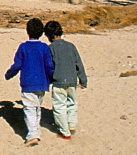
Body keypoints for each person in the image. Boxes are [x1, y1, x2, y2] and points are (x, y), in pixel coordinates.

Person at [5, 17, 54, 146]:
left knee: (30, 109)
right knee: (36, 107)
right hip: (42, 83)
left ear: (27, 31)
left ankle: (33, 134)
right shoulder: (44, 48)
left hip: (28, 82)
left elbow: (17, 64)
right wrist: (51, 78)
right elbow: (49, 65)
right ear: (42, 32)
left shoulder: (23, 47)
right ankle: (35, 131)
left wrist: (9, 74)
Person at [44, 20, 87, 140]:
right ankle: (72, 125)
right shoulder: (71, 46)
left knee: (59, 106)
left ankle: (64, 132)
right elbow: (79, 64)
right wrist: (83, 80)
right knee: (72, 103)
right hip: (72, 80)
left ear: (48, 35)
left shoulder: (50, 48)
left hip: (58, 82)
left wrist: (47, 80)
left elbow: (48, 66)